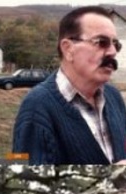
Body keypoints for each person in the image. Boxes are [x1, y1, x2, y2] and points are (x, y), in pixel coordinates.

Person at [12, 6, 126, 165]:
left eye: (116, 45)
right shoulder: (36, 108)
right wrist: (107, 181)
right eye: (102, 42)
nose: (112, 52)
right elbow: (25, 181)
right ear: (68, 49)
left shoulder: (114, 97)